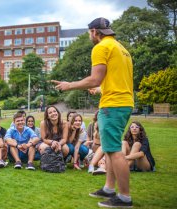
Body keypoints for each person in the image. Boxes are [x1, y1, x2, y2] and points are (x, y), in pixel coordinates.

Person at [53, 17, 134, 207]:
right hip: (122, 101)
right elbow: (115, 81)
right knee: (108, 148)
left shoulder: (100, 47)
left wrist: (69, 85)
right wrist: (100, 90)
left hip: (113, 105)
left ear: (95, 32)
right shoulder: (122, 49)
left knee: (114, 151)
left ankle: (124, 197)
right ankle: (108, 188)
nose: (90, 36)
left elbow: (94, 79)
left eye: (89, 33)